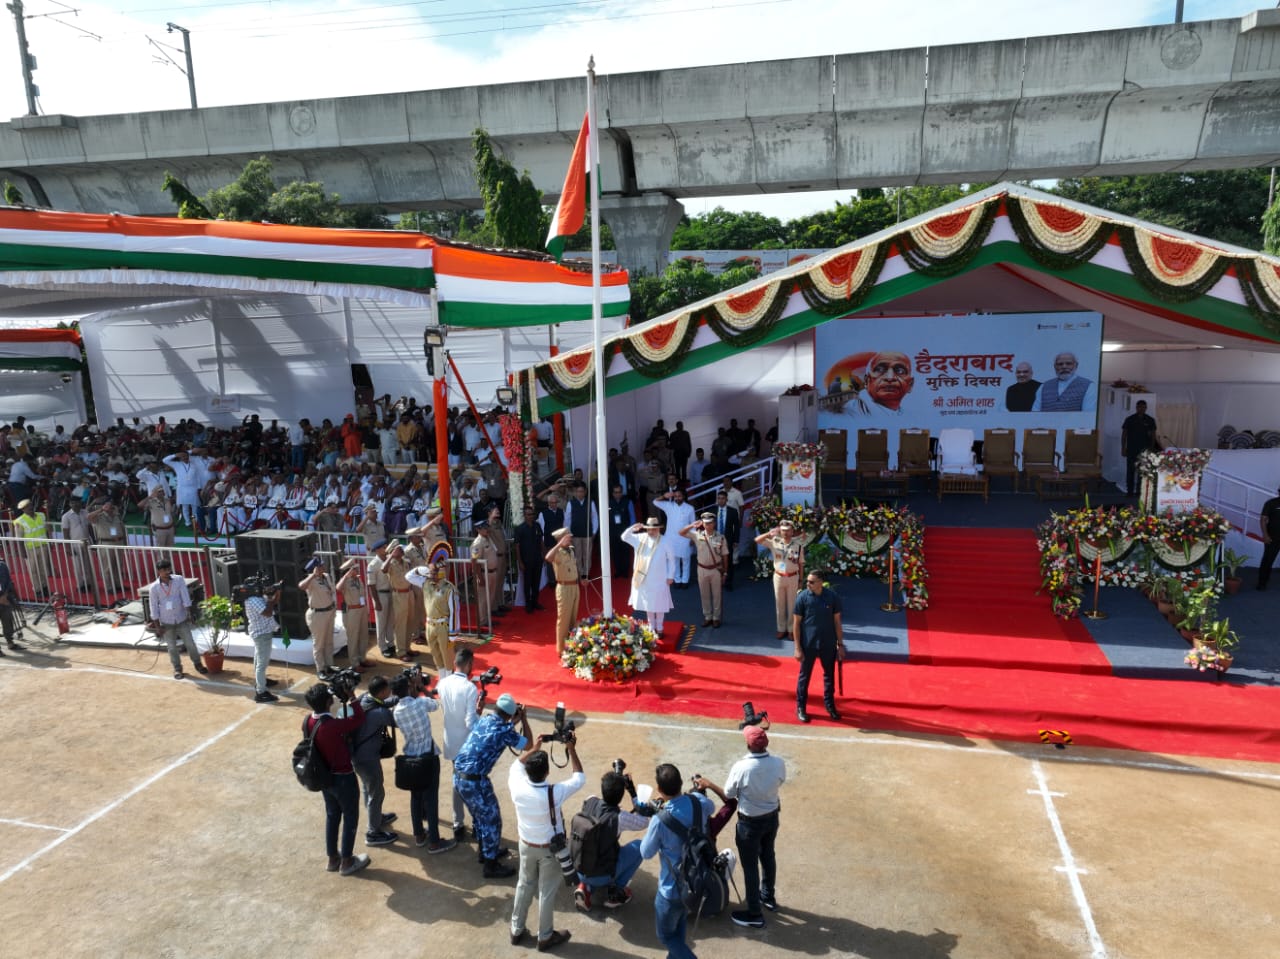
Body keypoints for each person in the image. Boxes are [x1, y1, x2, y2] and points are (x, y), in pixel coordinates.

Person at [507, 729, 584, 952]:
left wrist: (534, 748)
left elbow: (516, 765)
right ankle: (545, 936)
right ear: (547, 771)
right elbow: (579, 777)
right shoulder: (554, 792)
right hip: (550, 850)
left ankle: (516, 929)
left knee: (524, 885)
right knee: (546, 892)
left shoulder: (517, 785)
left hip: (526, 844)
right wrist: (571, 748)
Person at [452, 692, 532, 878]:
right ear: (510, 714)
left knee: (480, 818)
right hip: (475, 781)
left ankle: (486, 851)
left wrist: (513, 722)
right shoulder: (505, 730)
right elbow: (527, 744)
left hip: (460, 777)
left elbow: (498, 730)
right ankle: (490, 865)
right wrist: (524, 720)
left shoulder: (486, 720)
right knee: (491, 820)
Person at [640, 763, 714, 959]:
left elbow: (645, 852)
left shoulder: (660, 820)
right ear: (682, 783)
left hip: (671, 888)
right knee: (679, 926)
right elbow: (711, 806)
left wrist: (657, 816)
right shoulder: (698, 802)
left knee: (665, 936)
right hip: (696, 880)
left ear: (659, 790)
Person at [303, 682, 370, 876]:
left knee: (332, 816)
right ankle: (347, 861)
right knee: (350, 817)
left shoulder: (308, 721)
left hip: (325, 778)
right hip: (343, 777)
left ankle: (333, 858)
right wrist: (352, 697)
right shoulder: (331, 725)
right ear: (327, 701)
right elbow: (359, 718)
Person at [724, 723, 786, 928]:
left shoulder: (741, 767)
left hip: (749, 823)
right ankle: (768, 896)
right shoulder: (778, 763)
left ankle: (754, 913)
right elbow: (780, 781)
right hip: (771, 818)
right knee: (768, 856)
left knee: (750, 867)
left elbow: (729, 793)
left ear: (748, 745)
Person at [392, 669, 458, 854]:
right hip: (428, 758)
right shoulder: (419, 703)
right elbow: (435, 704)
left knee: (416, 797)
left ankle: (419, 835)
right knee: (431, 799)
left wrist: (413, 688)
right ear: (409, 686)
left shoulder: (396, 711)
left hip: (411, 759)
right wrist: (420, 687)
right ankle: (435, 842)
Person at [573, 769, 648, 912]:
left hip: (580, 867)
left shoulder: (590, 800)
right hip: (602, 874)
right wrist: (632, 791)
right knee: (640, 846)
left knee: (598, 848)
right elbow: (644, 821)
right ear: (620, 796)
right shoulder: (619, 817)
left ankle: (585, 887)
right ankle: (616, 892)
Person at [350, 674, 401, 848]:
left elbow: (384, 702)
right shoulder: (380, 713)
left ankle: (376, 817)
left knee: (368, 788)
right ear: (382, 692)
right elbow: (398, 721)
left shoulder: (365, 698)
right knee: (376, 792)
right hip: (367, 759)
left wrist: (397, 697)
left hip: (357, 755)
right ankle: (373, 833)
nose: (390, 691)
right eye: (388, 689)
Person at [437, 646, 481, 839]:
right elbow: (470, 722)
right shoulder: (470, 688)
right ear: (470, 665)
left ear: (455, 664)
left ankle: (457, 823)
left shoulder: (443, 683)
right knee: (473, 783)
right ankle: (476, 822)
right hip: (467, 744)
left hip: (451, 742)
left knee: (457, 782)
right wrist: (481, 718)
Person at [793, 570, 844, 723]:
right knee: (804, 677)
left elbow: (837, 622)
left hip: (827, 643)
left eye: (811, 582)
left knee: (829, 675)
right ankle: (801, 707)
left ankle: (830, 705)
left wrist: (840, 645)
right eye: (807, 581)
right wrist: (797, 647)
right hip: (808, 644)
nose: (808, 584)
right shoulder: (802, 597)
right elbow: (796, 624)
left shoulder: (832, 597)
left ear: (821, 582)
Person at [147, 559, 206, 680]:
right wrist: (157, 626)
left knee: (190, 643)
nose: (167, 572)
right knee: (172, 647)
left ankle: (198, 664)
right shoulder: (154, 587)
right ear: (158, 571)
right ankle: (177, 668)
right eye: (164, 570)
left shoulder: (178, 579)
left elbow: (185, 596)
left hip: (181, 617)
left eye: (168, 569)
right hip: (166, 621)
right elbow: (153, 606)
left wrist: (190, 614)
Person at [622, 518, 675, 635]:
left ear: (658, 529)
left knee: (660, 604)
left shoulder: (665, 540)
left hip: (660, 577)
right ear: (646, 529)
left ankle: (660, 627)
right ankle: (651, 626)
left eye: (654, 529)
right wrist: (632, 528)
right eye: (650, 529)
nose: (652, 531)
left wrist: (671, 575)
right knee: (649, 604)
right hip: (644, 577)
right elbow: (624, 537)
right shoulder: (640, 538)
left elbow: (672, 560)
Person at [756, 521, 804, 640]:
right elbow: (757, 540)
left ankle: (791, 629)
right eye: (783, 530)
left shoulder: (798, 546)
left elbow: (801, 564)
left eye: (788, 530)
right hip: (779, 577)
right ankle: (781, 629)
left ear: (792, 531)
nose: (785, 533)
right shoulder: (774, 542)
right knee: (780, 604)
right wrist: (769, 533)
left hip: (793, 577)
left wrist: (801, 580)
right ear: (780, 531)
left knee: (792, 605)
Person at [681, 513, 728, 629]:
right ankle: (708, 616)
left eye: (710, 523)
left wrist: (725, 573)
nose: (708, 525)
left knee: (717, 595)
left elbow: (725, 556)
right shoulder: (697, 535)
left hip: (715, 569)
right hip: (701, 569)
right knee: (704, 595)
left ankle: (716, 618)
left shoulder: (720, 537)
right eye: (705, 523)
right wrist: (692, 525)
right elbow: (681, 532)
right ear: (702, 524)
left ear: (714, 523)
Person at [242, 578, 282, 703]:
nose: (263, 587)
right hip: (261, 634)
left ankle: (261, 681)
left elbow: (274, 602)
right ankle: (261, 692)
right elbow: (268, 612)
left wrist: (278, 591)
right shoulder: (254, 600)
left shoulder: (257, 598)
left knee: (258, 659)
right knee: (262, 663)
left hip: (262, 633)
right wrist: (270, 598)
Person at [299, 557, 338, 679]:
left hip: (329, 611)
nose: (322, 568)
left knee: (329, 641)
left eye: (322, 566)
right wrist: (312, 575)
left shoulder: (326, 576)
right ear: (314, 569)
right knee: (319, 643)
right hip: (317, 615)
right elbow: (301, 586)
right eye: (319, 566)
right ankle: (320, 669)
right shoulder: (311, 580)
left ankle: (329, 665)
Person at [546, 528, 579, 658]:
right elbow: (548, 557)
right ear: (561, 538)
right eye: (567, 537)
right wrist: (559, 544)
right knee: (563, 619)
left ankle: (570, 644)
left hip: (574, 586)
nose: (570, 538)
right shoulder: (558, 552)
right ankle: (561, 649)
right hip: (564, 588)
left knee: (572, 618)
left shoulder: (570, 550)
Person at [653, 489, 695, 589]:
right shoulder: (669, 506)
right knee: (674, 560)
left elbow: (693, 525)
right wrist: (664, 496)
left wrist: (693, 538)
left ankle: (685, 580)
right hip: (671, 538)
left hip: (685, 538)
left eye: (679, 496)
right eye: (675, 496)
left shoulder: (690, 508)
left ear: (684, 496)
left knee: (686, 560)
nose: (677, 498)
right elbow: (655, 502)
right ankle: (677, 579)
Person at [336, 558, 370, 670]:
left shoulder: (358, 579)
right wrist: (346, 576)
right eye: (354, 569)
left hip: (361, 609)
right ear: (349, 571)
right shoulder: (345, 581)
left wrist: (366, 610)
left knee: (363, 635)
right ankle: (354, 663)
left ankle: (362, 659)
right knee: (353, 638)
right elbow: (338, 588)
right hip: (352, 611)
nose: (357, 570)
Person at [13, 498, 51, 599]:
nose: (30, 508)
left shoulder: (42, 515)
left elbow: (47, 530)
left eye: (31, 506)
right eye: (27, 507)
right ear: (23, 510)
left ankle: (45, 588)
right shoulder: (19, 521)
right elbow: (19, 539)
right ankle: (38, 590)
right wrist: (22, 552)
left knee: (43, 568)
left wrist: (49, 542)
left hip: (43, 546)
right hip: (30, 549)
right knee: (33, 570)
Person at [1121, 400, 1158, 497]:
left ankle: (1139, 492)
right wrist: (1123, 448)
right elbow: (1124, 435)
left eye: (1143, 407)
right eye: (1139, 407)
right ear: (1136, 408)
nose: (1141, 409)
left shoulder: (1150, 420)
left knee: (1142, 473)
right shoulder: (1130, 419)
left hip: (1144, 451)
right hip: (1131, 449)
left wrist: (1151, 449)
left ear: (1146, 408)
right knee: (1130, 471)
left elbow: (1153, 436)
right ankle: (1129, 492)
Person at [512, 505, 546, 612]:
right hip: (526, 560)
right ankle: (528, 604)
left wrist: (544, 555)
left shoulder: (537, 526)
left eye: (532, 514)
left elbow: (541, 541)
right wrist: (520, 562)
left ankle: (535, 602)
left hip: (537, 559)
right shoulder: (519, 529)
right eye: (528, 514)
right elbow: (517, 546)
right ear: (524, 516)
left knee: (536, 582)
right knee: (527, 583)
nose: (531, 516)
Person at [564, 482, 599, 579]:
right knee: (577, 556)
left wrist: (594, 531)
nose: (580, 493)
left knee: (587, 555)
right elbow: (567, 519)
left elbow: (595, 517)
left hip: (588, 534)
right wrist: (568, 533)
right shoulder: (570, 503)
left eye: (582, 491)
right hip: (575, 534)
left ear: (585, 492)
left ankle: (586, 574)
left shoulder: (590, 502)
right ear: (575, 492)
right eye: (578, 491)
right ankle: (580, 574)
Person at [712, 490, 742, 590]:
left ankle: (728, 582)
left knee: (728, 562)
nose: (720, 500)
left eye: (722, 498)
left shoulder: (733, 511)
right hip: (714, 539)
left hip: (727, 540)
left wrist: (736, 540)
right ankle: (717, 582)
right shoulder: (713, 511)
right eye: (719, 498)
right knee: (715, 561)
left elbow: (736, 527)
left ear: (726, 500)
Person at [606, 484, 635, 579]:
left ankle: (625, 570)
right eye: (615, 492)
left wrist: (631, 530)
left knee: (625, 551)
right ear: (612, 493)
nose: (617, 494)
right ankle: (618, 570)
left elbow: (632, 517)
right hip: (613, 531)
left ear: (622, 492)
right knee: (616, 551)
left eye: (619, 492)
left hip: (625, 531)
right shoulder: (608, 503)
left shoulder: (628, 502)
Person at [1258, 484, 1280, 591]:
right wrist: (1265, 535)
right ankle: (1262, 583)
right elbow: (1263, 519)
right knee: (1267, 561)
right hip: (1272, 538)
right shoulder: (1271, 503)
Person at [0, 555, 22, 655]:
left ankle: (10, 642)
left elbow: (8, 581)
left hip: (4, 597)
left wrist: (5, 595)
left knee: (8, 620)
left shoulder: (2, 565)